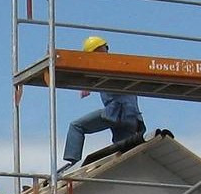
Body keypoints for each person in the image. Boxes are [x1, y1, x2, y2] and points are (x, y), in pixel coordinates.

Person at [61, 35, 146, 170]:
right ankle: (133, 169)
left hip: (116, 113)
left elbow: (101, 75)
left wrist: (87, 85)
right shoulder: (119, 64)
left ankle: (73, 163)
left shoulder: (109, 64)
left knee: (76, 126)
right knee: (123, 150)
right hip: (133, 119)